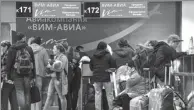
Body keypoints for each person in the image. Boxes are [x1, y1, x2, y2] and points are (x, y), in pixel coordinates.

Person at [5, 33, 36, 110]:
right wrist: (34, 75)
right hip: (28, 74)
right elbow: (33, 63)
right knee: (27, 92)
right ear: (23, 38)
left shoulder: (12, 48)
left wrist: (8, 76)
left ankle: (22, 108)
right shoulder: (29, 48)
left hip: (16, 74)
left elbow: (9, 63)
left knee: (19, 92)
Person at [89, 41, 116, 110]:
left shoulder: (93, 56)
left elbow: (91, 67)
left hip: (96, 78)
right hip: (107, 77)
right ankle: (111, 108)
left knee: (97, 94)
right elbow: (113, 66)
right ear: (105, 47)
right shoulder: (108, 55)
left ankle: (98, 108)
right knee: (109, 94)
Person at [43, 43, 68, 110]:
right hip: (53, 78)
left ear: (58, 50)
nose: (53, 50)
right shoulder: (55, 57)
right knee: (49, 96)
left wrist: (50, 67)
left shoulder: (63, 57)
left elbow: (61, 69)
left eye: (54, 49)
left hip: (60, 79)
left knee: (61, 97)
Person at [29, 36, 49, 110]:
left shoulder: (27, 48)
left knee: (29, 92)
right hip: (39, 74)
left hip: (28, 74)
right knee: (38, 92)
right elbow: (46, 62)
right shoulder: (43, 50)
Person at [1, 40, 18, 110]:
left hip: (7, 80)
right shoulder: (15, 53)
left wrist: (2, 78)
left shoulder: (6, 55)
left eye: (3, 47)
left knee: (4, 102)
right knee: (14, 102)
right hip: (15, 80)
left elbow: (5, 68)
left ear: (6, 46)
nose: (2, 48)